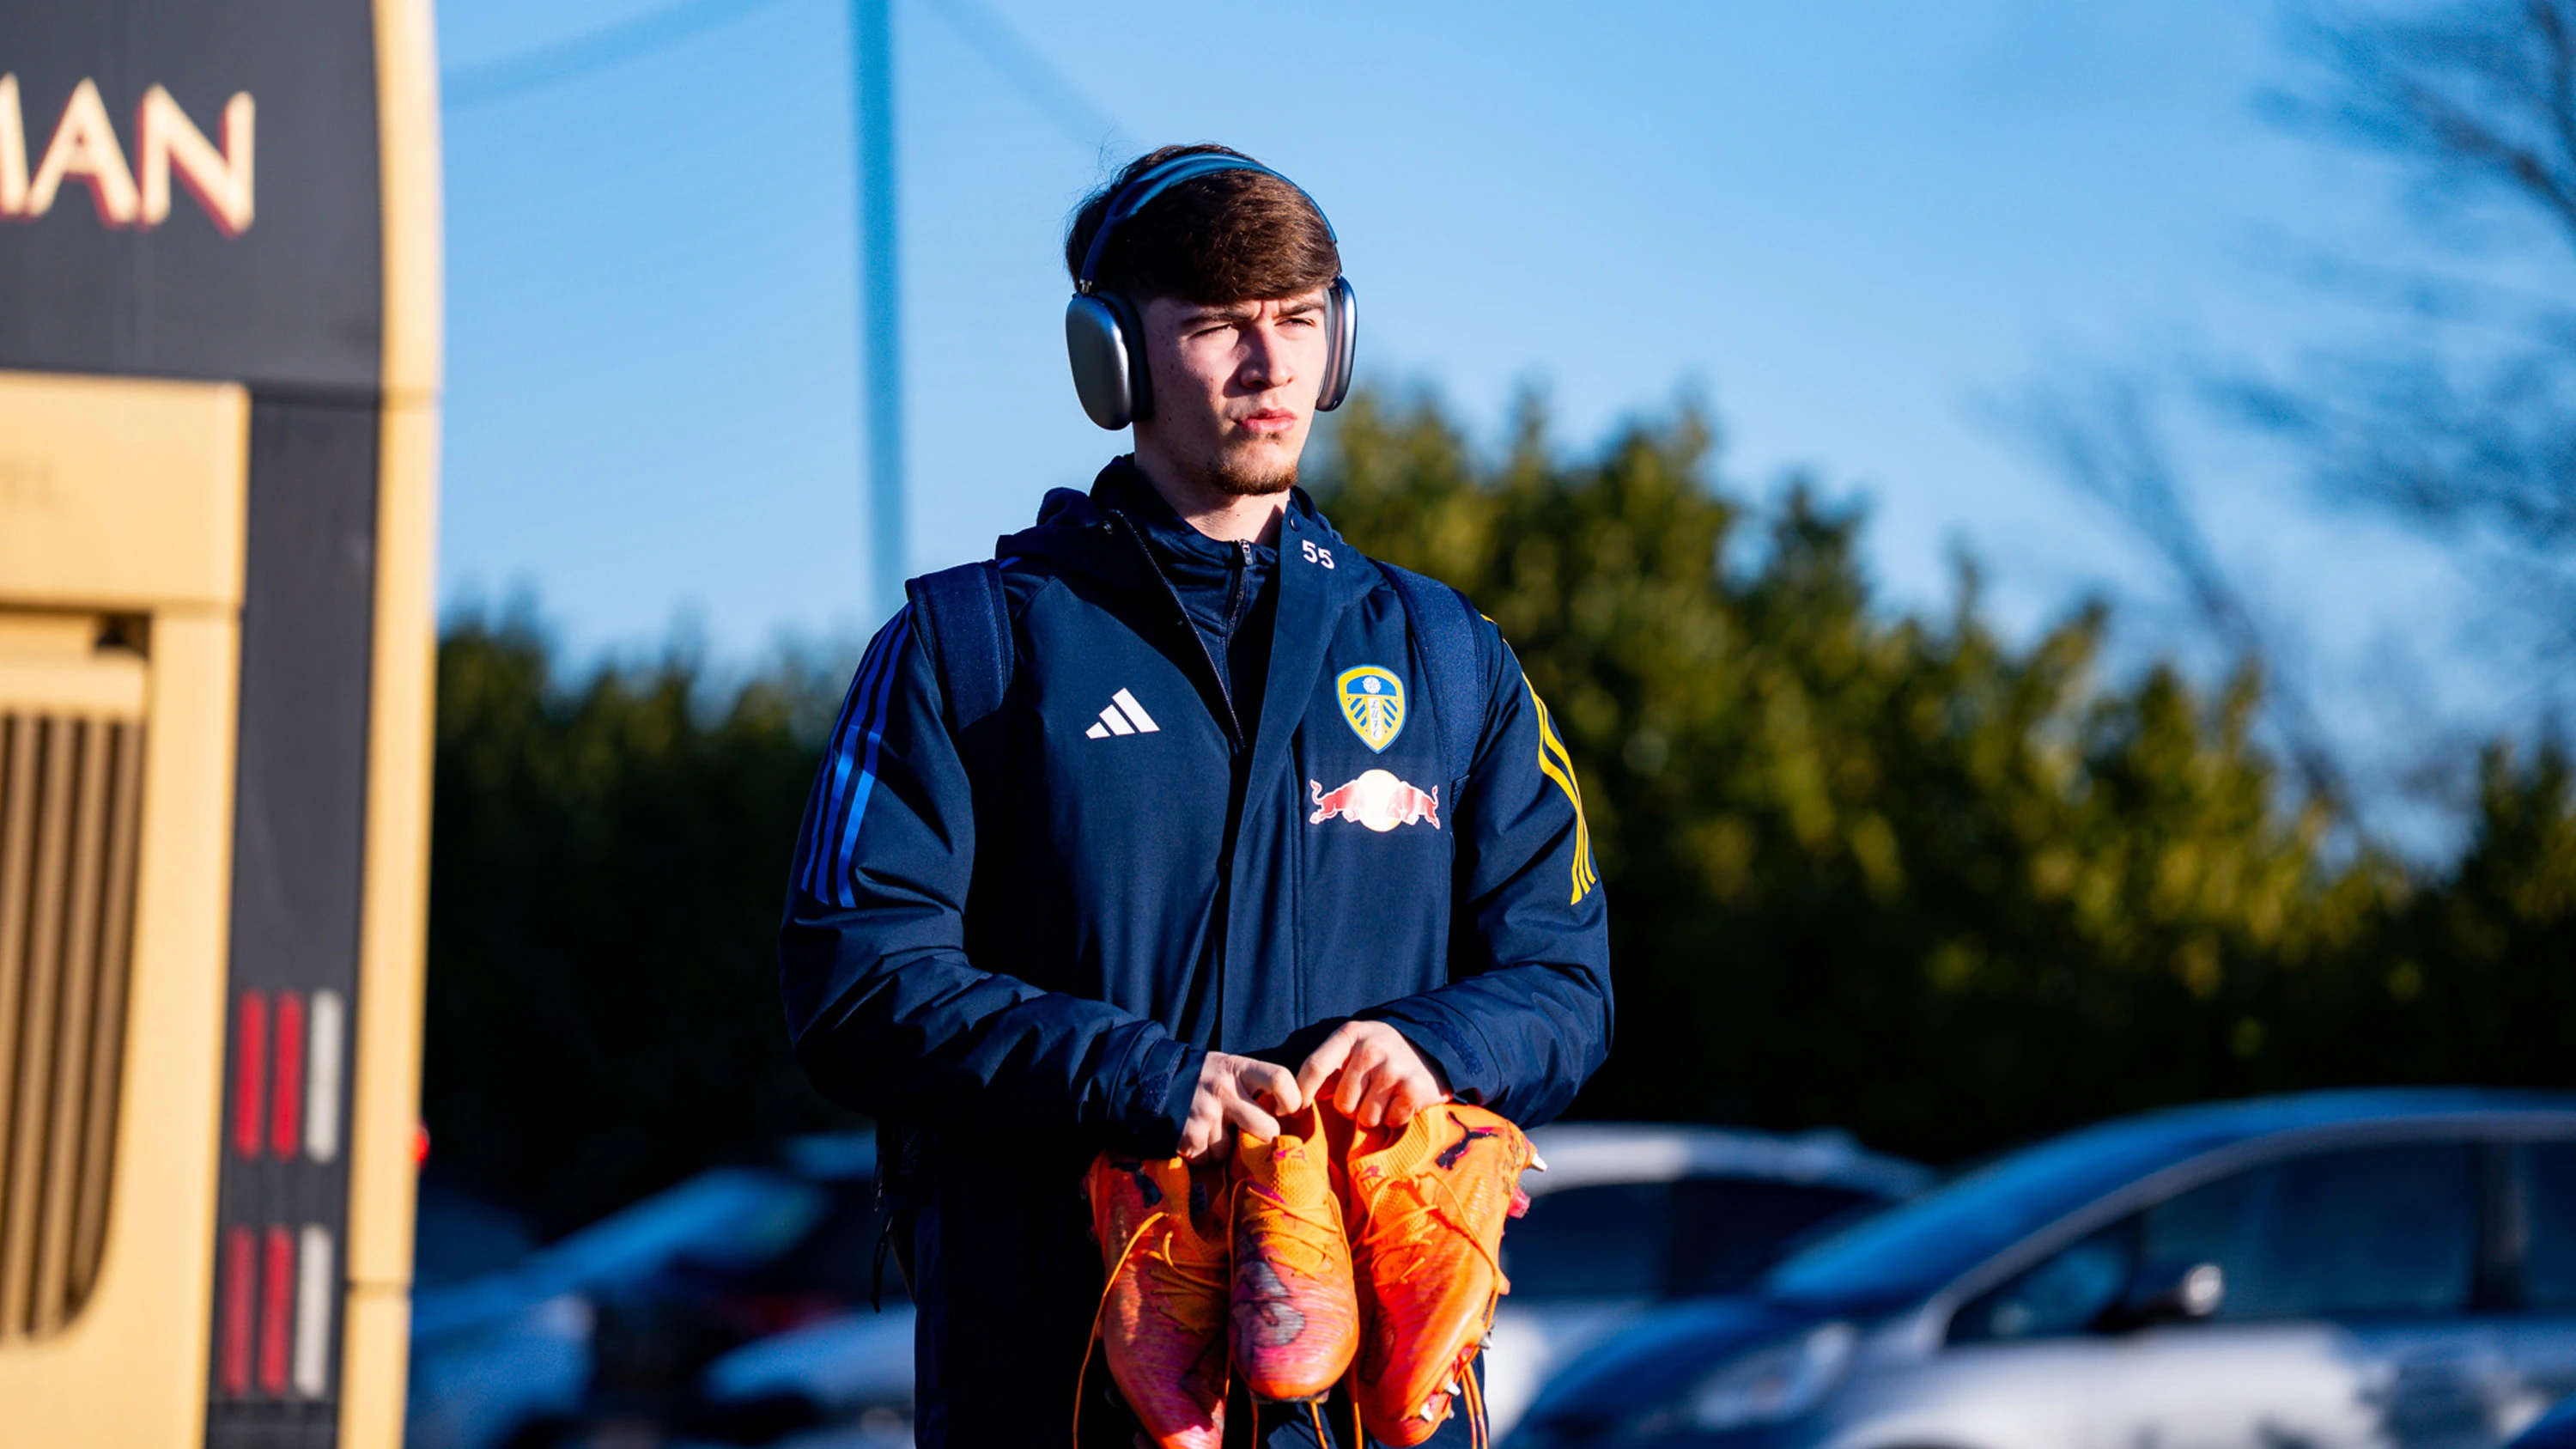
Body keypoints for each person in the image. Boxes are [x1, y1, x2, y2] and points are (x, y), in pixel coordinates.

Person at [779, 143, 1612, 1449]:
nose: (1269, 368)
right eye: (1220, 325)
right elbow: (856, 980)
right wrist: (1146, 1080)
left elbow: (1567, 982)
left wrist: (1437, 1046)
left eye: (1297, 321)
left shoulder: (1453, 658)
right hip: (1058, 1395)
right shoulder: (966, 651)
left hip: (1363, 1411)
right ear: (1110, 356)